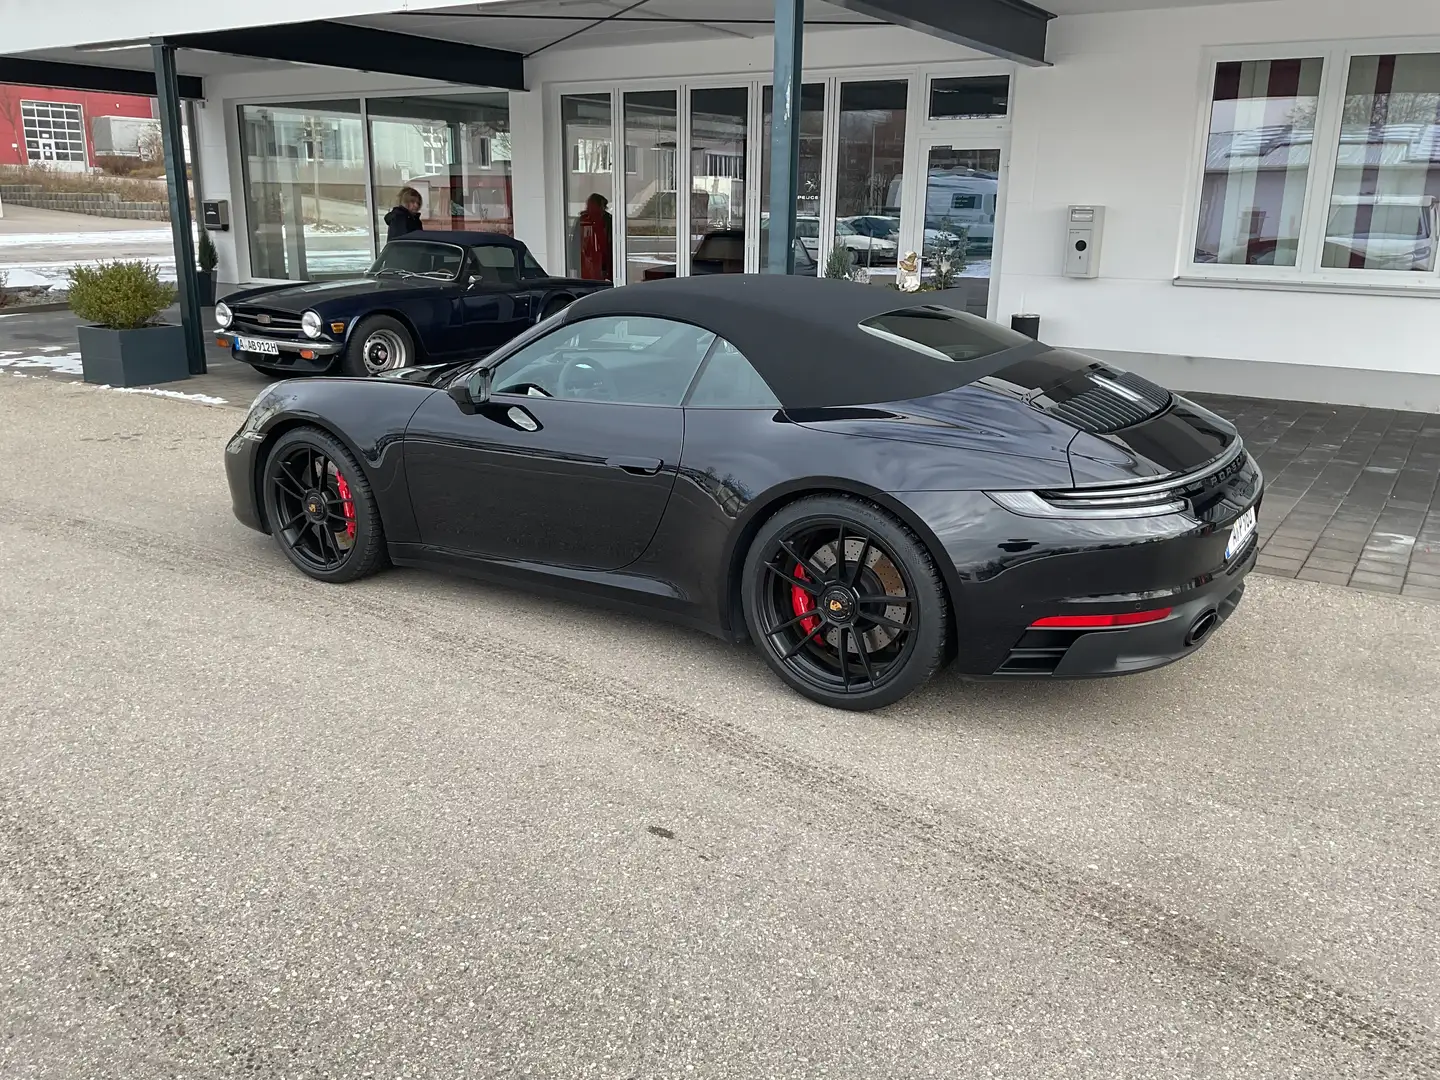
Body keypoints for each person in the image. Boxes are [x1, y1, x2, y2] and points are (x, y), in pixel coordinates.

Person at [572, 192, 613, 282]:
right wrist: (574, 263)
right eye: (602, 206)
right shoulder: (584, 220)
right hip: (587, 261)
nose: (604, 209)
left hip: (603, 260)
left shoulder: (607, 220)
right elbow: (576, 243)